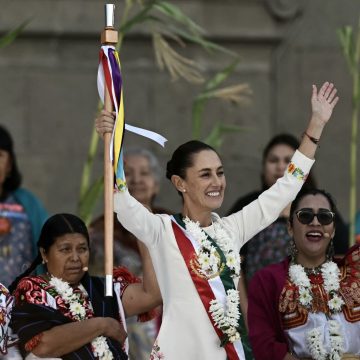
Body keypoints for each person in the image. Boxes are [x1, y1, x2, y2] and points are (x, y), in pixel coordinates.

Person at [96, 82, 339, 360]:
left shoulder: (232, 229)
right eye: (205, 174)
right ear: (180, 183)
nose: (217, 182)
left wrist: (317, 125)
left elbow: (288, 185)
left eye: (220, 173)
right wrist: (110, 140)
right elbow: (120, 197)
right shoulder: (160, 229)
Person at [9, 213, 161, 359]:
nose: (75, 258)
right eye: (65, 249)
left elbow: (151, 295)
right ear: (44, 254)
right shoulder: (32, 289)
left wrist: (145, 234)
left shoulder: (103, 289)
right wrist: (102, 325)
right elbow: (42, 345)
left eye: (82, 249)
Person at [247, 188, 360, 360]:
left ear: (334, 230)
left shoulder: (354, 272)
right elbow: (263, 346)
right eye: (305, 216)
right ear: (290, 227)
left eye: (324, 216)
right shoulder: (268, 281)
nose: (315, 222)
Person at [228, 134, 348, 283]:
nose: (280, 166)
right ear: (263, 167)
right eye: (273, 160)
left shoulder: (319, 205)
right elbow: (229, 257)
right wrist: (246, 305)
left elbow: (342, 254)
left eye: (288, 161)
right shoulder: (248, 205)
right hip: (255, 300)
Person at [89, 147, 169, 360]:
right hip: (129, 322)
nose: (136, 180)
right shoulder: (101, 230)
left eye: (144, 173)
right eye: (127, 173)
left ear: (156, 184)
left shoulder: (172, 224)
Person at [0, 125, 48, 288]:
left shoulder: (27, 203)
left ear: (9, 164)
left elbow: (50, 243)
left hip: (22, 304)